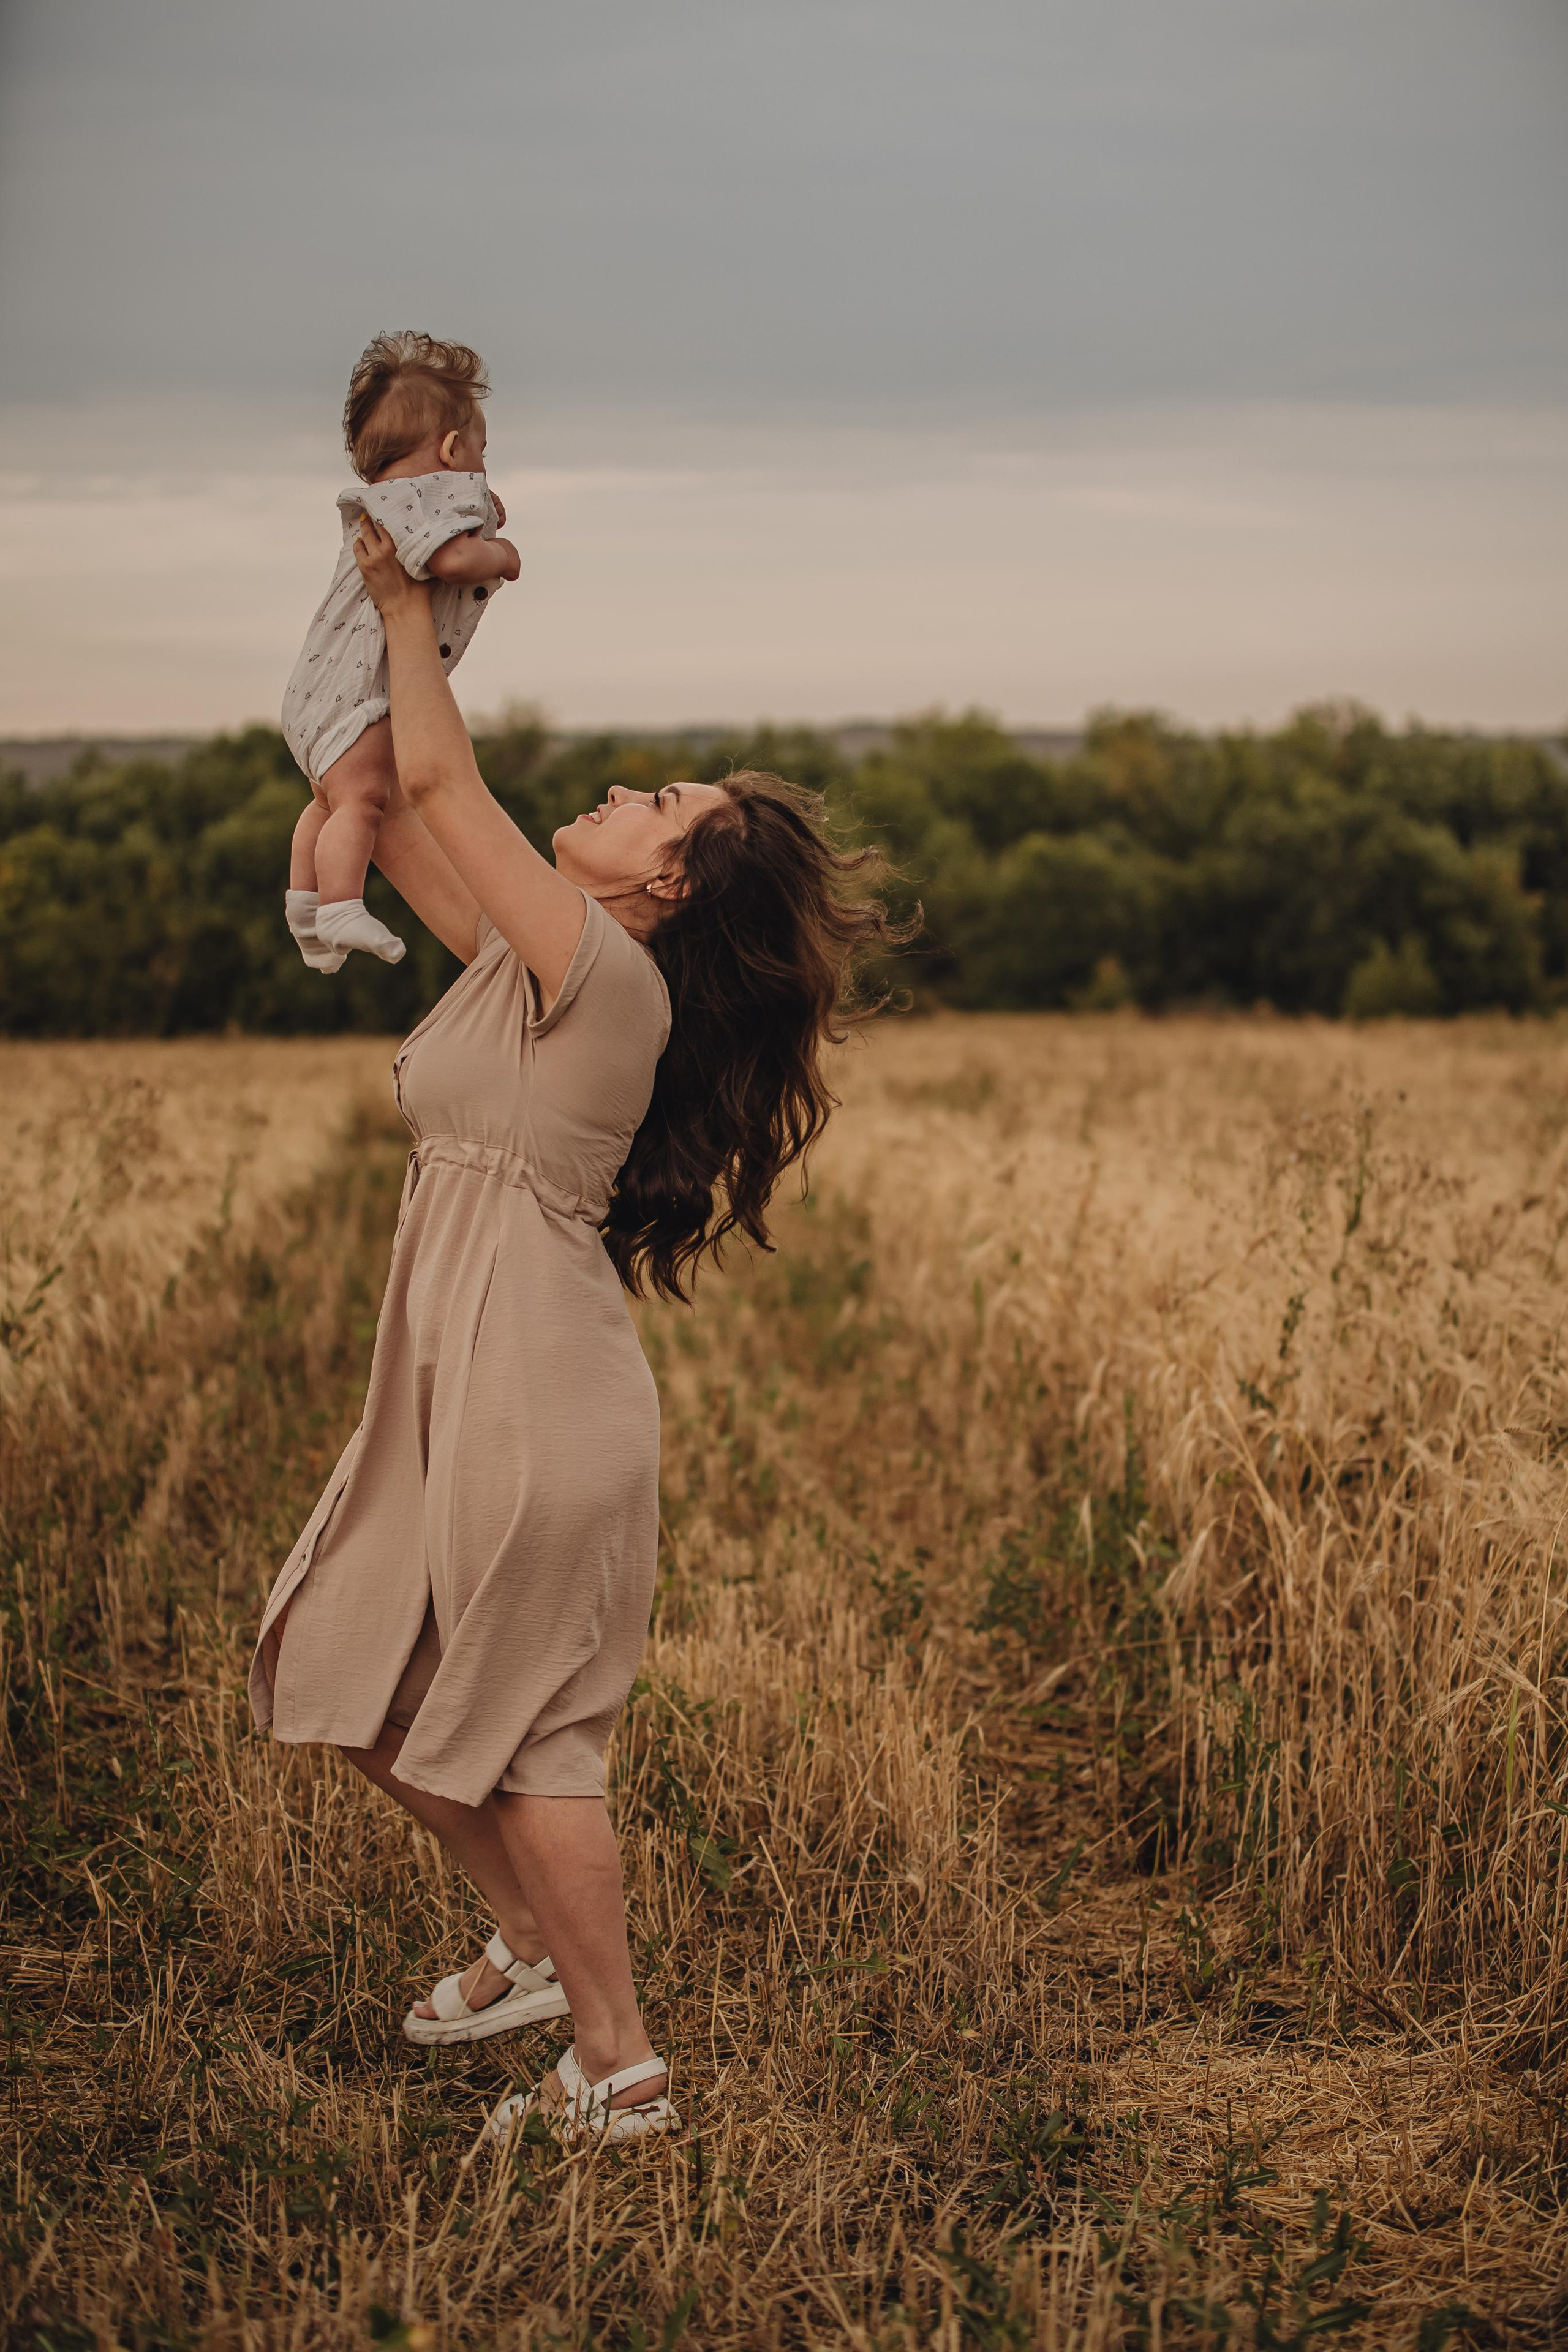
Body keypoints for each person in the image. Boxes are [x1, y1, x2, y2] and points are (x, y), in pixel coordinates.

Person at [249, 508, 899, 2143]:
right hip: (461, 1379)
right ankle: (536, 1951)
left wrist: (403, 601)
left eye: (655, 803)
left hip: (537, 1396)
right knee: (344, 1660)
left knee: (538, 1741)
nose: (620, 792)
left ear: (668, 883)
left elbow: (447, 778)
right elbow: (399, 793)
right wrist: (381, 623)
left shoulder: (611, 982)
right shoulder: (531, 956)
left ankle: (617, 2067)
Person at [282, 333, 521, 973]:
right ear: (452, 449)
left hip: (318, 696)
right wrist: (503, 553)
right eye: (480, 453)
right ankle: (340, 904)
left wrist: (478, 516)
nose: (481, 469)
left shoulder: (389, 503)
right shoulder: (418, 505)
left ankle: (304, 904)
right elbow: (453, 560)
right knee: (365, 800)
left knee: (330, 800)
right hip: (358, 697)